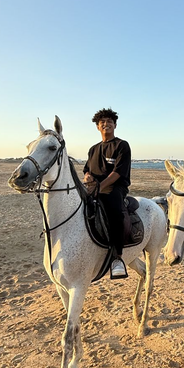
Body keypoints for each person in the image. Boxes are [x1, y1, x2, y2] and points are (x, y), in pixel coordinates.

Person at [84, 108, 132, 279]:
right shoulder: (93, 149)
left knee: (115, 211)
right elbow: (87, 170)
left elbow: (118, 172)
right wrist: (88, 177)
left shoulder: (121, 145)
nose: (106, 124)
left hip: (115, 187)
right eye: (102, 122)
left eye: (110, 121)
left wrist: (100, 186)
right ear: (98, 127)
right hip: (95, 188)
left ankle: (117, 258)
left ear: (115, 125)